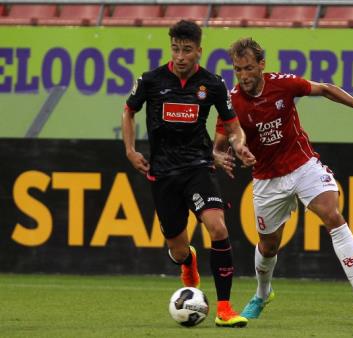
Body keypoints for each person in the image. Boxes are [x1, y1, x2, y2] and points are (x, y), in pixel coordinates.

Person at [213, 37, 353, 319]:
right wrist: (229, 152)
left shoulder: (283, 84)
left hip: (302, 166)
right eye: (237, 69)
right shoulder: (233, 101)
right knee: (268, 245)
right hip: (266, 179)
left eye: (248, 68)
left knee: (332, 215)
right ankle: (262, 294)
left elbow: (325, 89)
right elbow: (224, 141)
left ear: (261, 65)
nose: (243, 76)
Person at [121, 20, 255, 327]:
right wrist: (130, 150)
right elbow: (129, 111)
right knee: (178, 250)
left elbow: (232, 125)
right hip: (163, 172)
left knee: (218, 228)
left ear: (199, 51)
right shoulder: (151, 80)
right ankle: (188, 261)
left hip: (198, 167)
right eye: (176, 49)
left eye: (187, 50)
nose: (181, 56)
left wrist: (239, 144)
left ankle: (224, 309)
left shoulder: (213, 84)